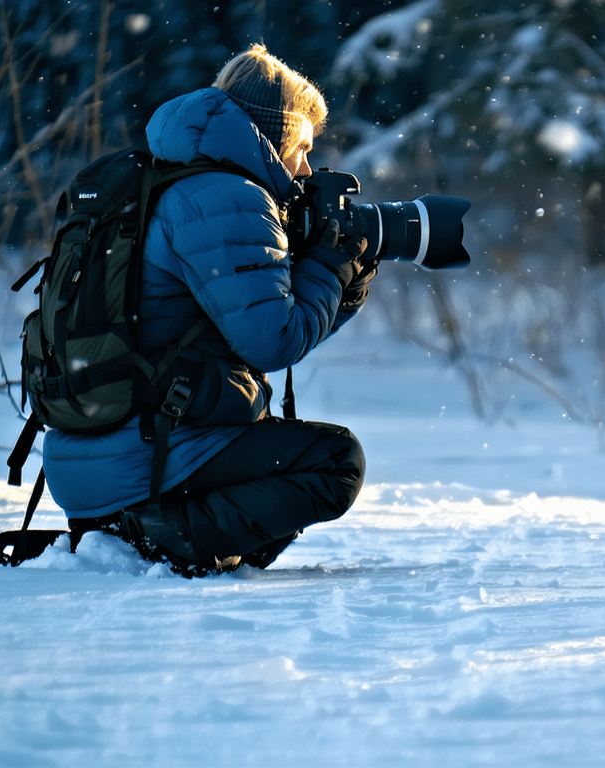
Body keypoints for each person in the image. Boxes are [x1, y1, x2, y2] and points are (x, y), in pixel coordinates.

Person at [42, 44, 374, 575]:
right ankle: (165, 537)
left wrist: (343, 282)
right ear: (277, 132)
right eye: (304, 148)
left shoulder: (173, 176)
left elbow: (266, 321)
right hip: (138, 459)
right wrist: (330, 266)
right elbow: (273, 341)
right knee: (337, 462)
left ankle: (167, 532)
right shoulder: (229, 194)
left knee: (275, 438)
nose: (308, 168)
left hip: (92, 458)